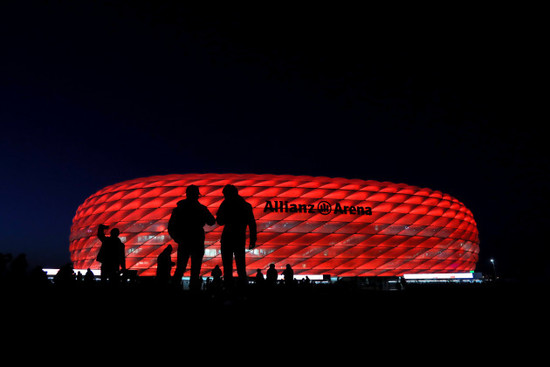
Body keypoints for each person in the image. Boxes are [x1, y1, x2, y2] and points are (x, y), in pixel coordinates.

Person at [168, 185, 215, 290]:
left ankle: (173, 290)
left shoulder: (179, 209)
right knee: (195, 268)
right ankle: (194, 291)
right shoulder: (201, 209)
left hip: (184, 240)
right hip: (197, 239)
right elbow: (211, 221)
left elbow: (171, 226)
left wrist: (178, 238)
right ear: (197, 196)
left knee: (180, 267)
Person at [216, 184, 257, 286]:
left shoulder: (225, 204)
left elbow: (219, 221)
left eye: (225, 194)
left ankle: (228, 289)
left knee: (227, 266)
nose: (225, 197)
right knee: (241, 265)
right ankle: (243, 289)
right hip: (239, 238)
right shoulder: (246, 205)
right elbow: (252, 224)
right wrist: (252, 240)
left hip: (227, 238)